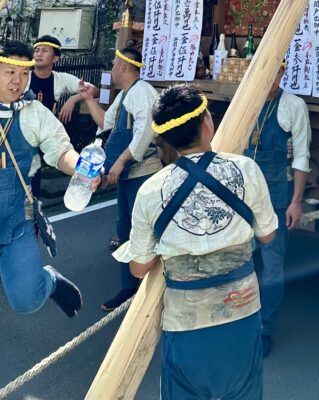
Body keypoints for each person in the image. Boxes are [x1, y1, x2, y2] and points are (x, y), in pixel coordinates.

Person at [115, 84, 278, 400]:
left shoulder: (150, 190)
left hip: (186, 322)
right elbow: (268, 235)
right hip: (242, 313)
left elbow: (139, 268)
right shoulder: (246, 170)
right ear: (207, 123)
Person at [0, 40, 95, 317]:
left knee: (26, 300)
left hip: (17, 218)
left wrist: (81, 167)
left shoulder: (34, 112)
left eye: (24, 74)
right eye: (9, 73)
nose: (18, 82)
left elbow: (61, 151)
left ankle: (49, 280)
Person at [79, 46, 161, 311]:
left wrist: (122, 160)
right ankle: (129, 286)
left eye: (114, 63)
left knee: (145, 229)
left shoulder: (144, 92)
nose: (112, 68)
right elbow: (106, 123)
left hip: (143, 172)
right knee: (125, 227)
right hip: (128, 173)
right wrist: (89, 98)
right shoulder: (126, 94)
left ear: (124, 67)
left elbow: (144, 134)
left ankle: (153, 286)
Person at [245, 61, 311, 356]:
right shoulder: (246, 102)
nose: (268, 77)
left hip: (276, 193)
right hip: (244, 192)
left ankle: (264, 328)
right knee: (239, 260)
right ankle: (239, 323)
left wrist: (296, 201)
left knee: (272, 268)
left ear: (282, 73)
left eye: (274, 71)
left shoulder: (293, 105)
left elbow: (301, 156)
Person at [30, 35, 98, 197]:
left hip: (44, 135)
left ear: (55, 58)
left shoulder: (59, 79)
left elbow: (93, 90)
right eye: (36, 51)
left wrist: (73, 99)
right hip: (24, 134)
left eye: (44, 51)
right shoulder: (24, 78)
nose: (38, 54)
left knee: (34, 180)